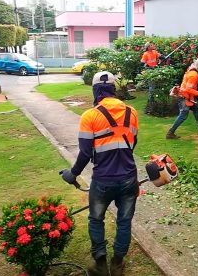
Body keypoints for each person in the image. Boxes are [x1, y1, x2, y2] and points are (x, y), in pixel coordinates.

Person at [61, 71, 139, 276]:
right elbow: (132, 143)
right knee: (124, 221)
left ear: (96, 90)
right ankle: (118, 263)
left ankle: (101, 264)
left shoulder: (90, 116)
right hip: (129, 178)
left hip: (103, 180)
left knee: (96, 219)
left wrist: (72, 173)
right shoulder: (132, 112)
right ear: (113, 89)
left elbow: (86, 152)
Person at [166, 56, 198, 139]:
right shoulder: (194, 74)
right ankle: (170, 133)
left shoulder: (191, 69)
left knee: (197, 110)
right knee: (183, 115)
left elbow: (190, 81)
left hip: (187, 97)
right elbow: (188, 88)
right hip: (184, 97)